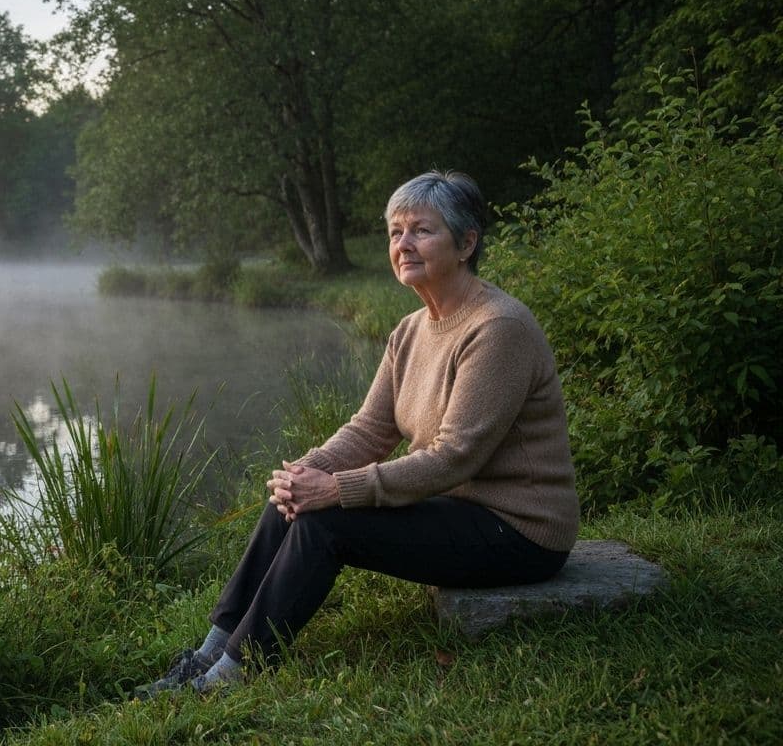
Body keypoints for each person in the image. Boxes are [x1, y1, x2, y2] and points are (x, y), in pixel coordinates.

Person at [137, 170, 580, 697]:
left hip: (519, 531)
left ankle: (230, 676)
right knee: (297, 498)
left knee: (327, 525)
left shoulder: (497, 328)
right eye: (395, 232)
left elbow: (452, 458)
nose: (404, 244)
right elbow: (372, 428)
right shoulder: (412, 329)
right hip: (461, 510)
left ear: (466, 244)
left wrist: (340, 489)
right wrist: (310, 470)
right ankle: (210, 651)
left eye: (421, 230)